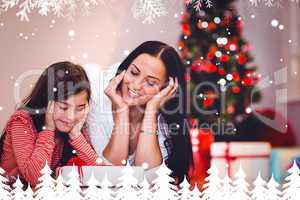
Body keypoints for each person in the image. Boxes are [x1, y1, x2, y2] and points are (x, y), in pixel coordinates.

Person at [87, 41, 193, 182]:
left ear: (165, 89)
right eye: (134, 72)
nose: (136, 85)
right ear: (125, 68)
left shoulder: (165, 122)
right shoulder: (98, 105)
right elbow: (111, 175)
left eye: (150, 83)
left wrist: (151, 112)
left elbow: (147, 180)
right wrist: (122, 113)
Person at [0, 61, 104, 187]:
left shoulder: (74, 126)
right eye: (64, 107)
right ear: (47, 102)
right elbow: (36, 178)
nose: (71, 117)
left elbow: (102, 174)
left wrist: (76, 136)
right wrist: (48, 130)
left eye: (80, 108)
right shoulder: (21, 122)